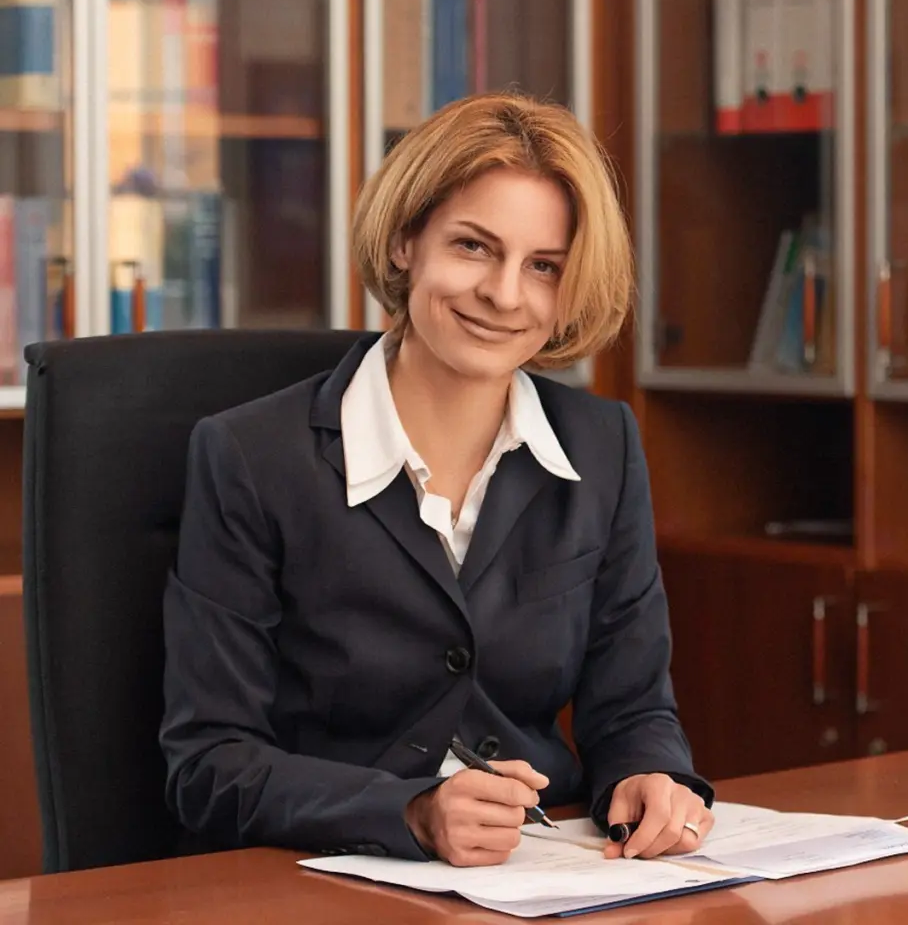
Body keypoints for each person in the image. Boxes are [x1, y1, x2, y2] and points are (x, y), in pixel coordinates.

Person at [159, 92, 714, 869]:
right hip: (308, 885)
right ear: (403, 244)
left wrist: (651, 774)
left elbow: (631, 705)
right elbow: (209, 764)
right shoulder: (251, 458)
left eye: (544, 266)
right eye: (474, 248)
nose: (505, 294)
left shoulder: (603, 446)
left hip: (539, 875)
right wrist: (412, 812)